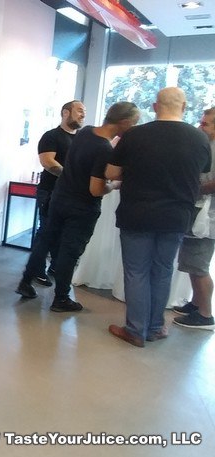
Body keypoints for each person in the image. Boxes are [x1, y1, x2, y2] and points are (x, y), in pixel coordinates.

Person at [106, 88, 212, 347]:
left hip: (137, 214)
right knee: (162, 271)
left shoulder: (134, 135)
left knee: (137, 271)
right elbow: (200, 175)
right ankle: (155, 327)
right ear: (184, 107)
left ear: (155, 107)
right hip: (177, 217)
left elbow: (111, 172)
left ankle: (135, 330)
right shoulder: (199, 139)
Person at [16, 102, 140, 311]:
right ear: (125, 122)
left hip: (60, 197)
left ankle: (26, 282)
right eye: (134, 124)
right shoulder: (104, 149)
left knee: (45, 240)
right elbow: (95, 189)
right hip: (82, 206)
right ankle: (61, 298)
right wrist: (114, 185)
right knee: (70, 251)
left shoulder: (85, 133)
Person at [31, 100, 86, 286]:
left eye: (84, 112)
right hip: (50, 192)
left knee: (64, 234)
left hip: (71, 195)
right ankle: (37, 270)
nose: (83, 115)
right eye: (79, 111)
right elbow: (48, 162)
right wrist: (73, 177)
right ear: (65, 113)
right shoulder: (51, 136)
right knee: (47, 232)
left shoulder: (81, 140)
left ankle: (55, 267)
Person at [173, 107, 215, 331]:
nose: (200, 127)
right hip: (197, 212)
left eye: (206, 124)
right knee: (191, 262)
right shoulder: (206, 145)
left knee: (199, 265)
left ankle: (205, 314)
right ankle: (196, 304)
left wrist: (193, 189)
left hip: (208, 218)